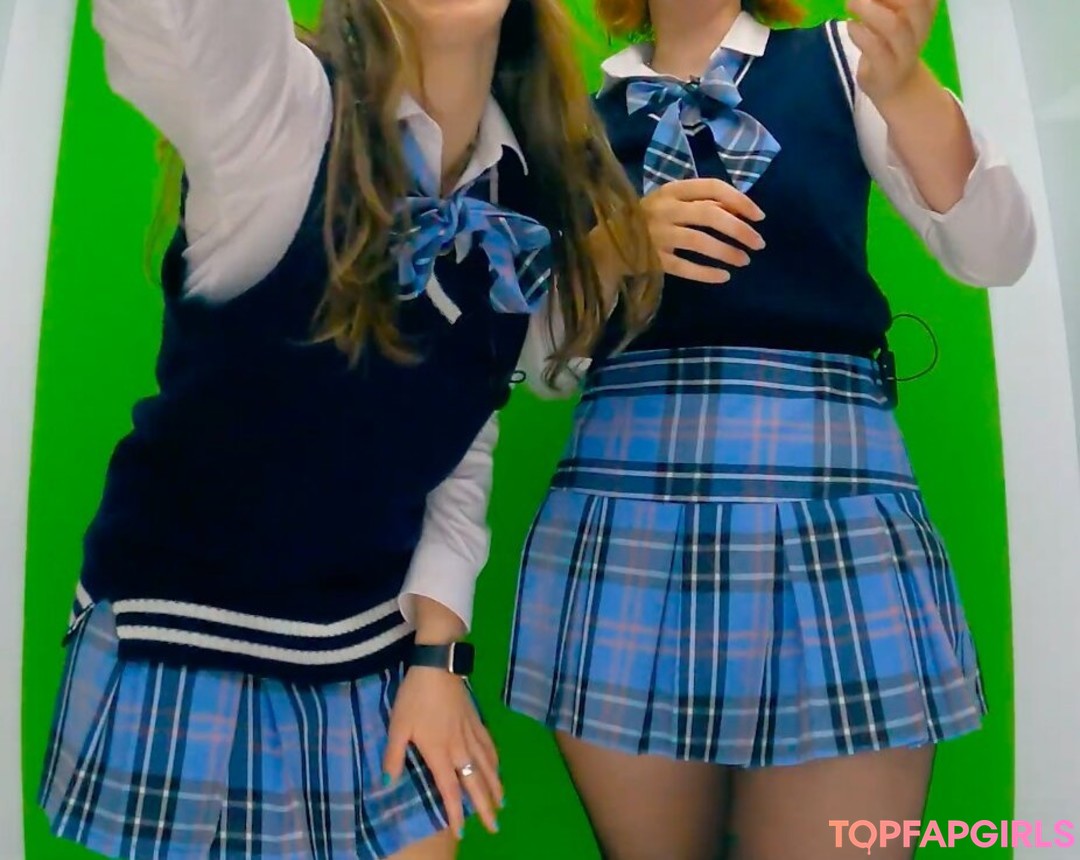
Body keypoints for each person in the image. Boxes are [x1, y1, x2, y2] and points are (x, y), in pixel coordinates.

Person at [37, 1, 659, 858]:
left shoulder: (524, 191)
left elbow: (460, 429)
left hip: (372, 637)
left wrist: (438, 657)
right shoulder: (280, 122)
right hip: (194, 632)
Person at [504, 0, 1035, 857]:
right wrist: (614, 248)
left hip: (830, 505)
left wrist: (905, 87)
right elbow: (540, 366)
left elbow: (996, 251)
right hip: (624, 518)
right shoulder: (569, 126)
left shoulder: (844, 61)